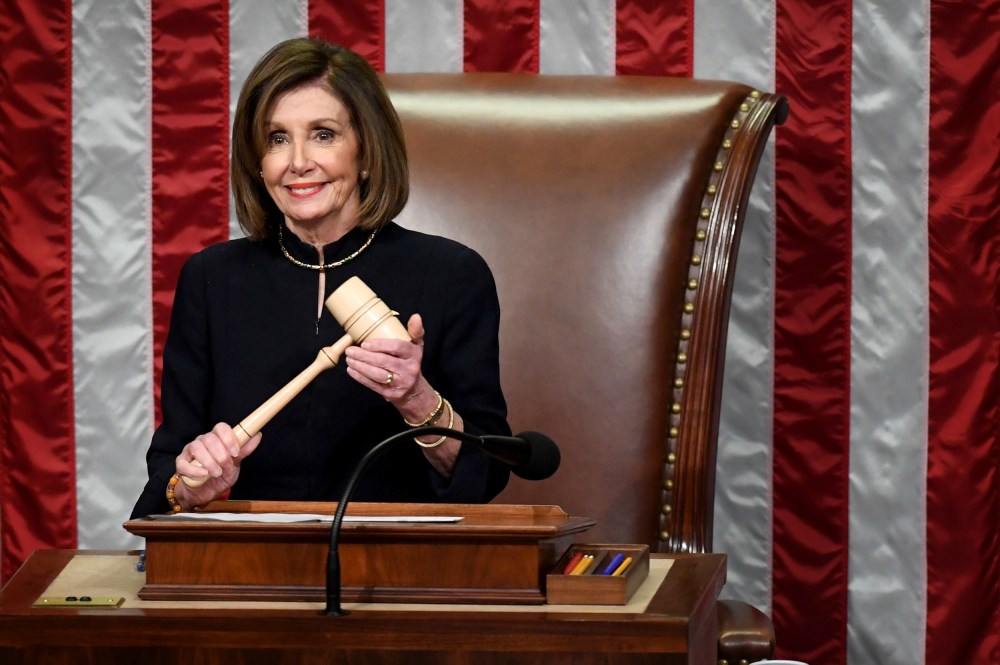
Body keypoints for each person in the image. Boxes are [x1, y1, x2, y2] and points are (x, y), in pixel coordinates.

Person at [130, 38, 510, 518]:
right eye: (277, 138)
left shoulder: (452, 275)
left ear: (367, 152)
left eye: (324, 134)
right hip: (247, 565)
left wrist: (416, 400)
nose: (298, 161)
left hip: (396, 569)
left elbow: (488, 472)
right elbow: (170, 465)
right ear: (257, 162)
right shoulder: (211, 279)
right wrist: (189, 486)